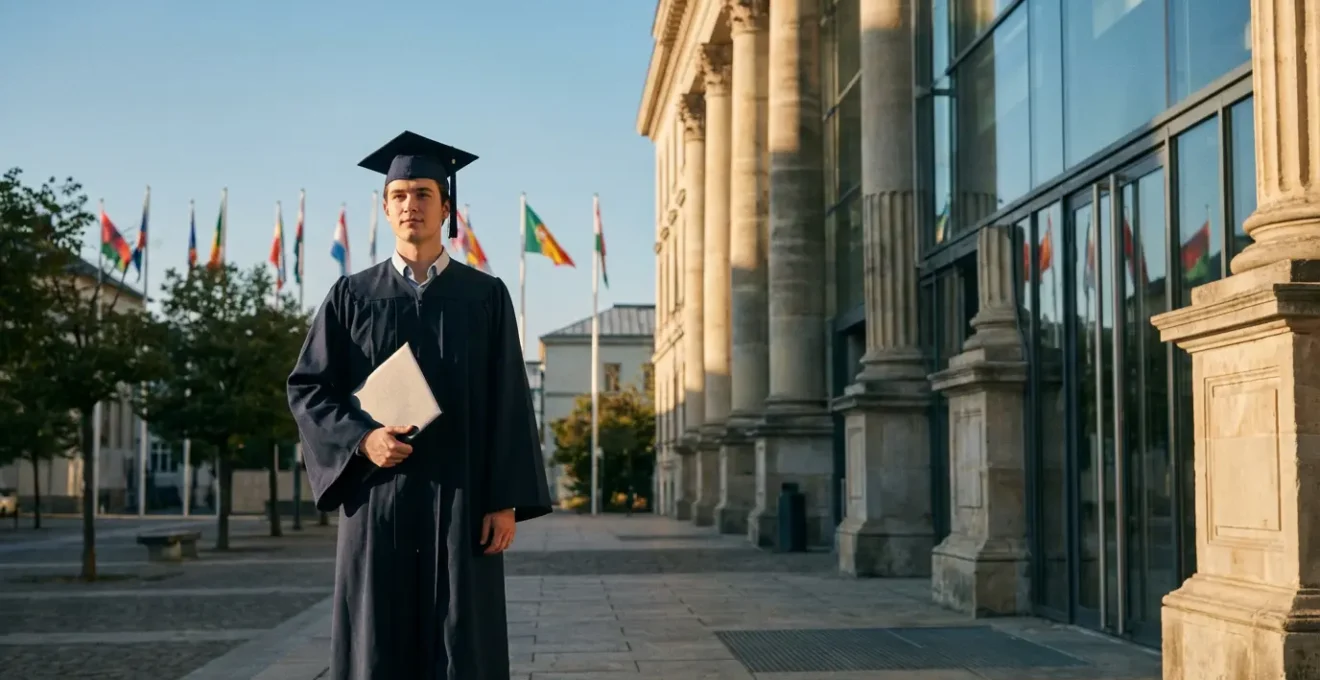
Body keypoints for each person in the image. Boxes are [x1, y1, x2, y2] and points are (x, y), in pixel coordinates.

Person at [287, 130, 552, 680]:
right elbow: (308, 387)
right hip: (380, 498)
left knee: (462, 645)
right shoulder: (352, 296)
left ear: (446, 206)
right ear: (384, 208)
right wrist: (362, 439)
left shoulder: (485, 296)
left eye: (424, 194)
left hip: (463, 501)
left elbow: (509, 401)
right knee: (380, 644)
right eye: (401, 195)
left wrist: (505, 501)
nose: (412, 205)